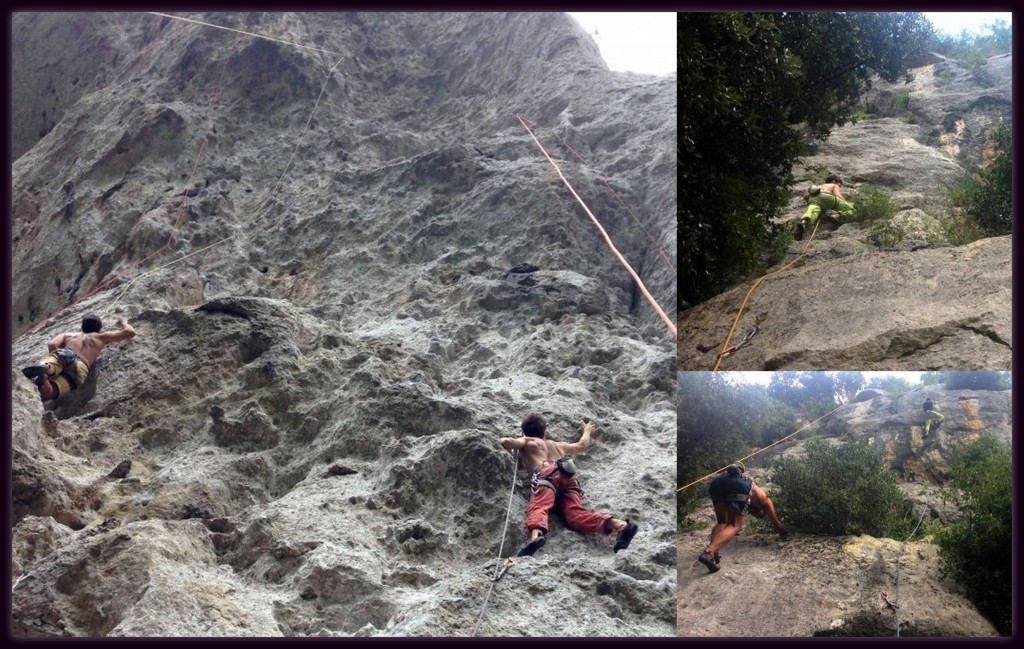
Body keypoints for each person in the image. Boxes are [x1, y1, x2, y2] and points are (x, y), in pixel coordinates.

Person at [499, 413, 638, 557]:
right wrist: (587, 430)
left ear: (524, 431)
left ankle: (536, 537)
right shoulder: (557, 445)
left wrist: (514, 439)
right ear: (544, 432)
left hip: (547, 475)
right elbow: (581, 445)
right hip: (567, 476)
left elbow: (507, 442)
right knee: (574, 515)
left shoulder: (528, 441)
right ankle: (620, 525)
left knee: (540, 505)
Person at [21, 314, 136, 402]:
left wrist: (58, 361)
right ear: (99, 329)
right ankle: (44, 380)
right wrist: (123, 322)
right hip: (80, 367)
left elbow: (52, 344)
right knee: (49, 393)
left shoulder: (68, 335)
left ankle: (48, 369)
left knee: (51, 364)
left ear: (82, 327)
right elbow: (130, 332)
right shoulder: (101, 337)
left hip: (65, 354)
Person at [697, 462, 787, 573]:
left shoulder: (749, 499)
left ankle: (714, 552)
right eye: (761, 514)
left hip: (717, 483)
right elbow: (776, 523)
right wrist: (782, 531)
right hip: (737, 485)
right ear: (760, 507)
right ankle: (708, 553)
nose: (758, 516)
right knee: (734, 526)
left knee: (721, 522)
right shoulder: (764, 500)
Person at [797, 174, 856, 239]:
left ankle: (804, 223)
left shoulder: (819, 186)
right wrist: (846, 203)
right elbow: (838, 195)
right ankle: (836, 216)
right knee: (851, 210)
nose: (840, 187)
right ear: (834, 181)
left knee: (812, 212)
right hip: (827, 196)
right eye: (839, 185)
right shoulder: (834, 185)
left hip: (814, 198)